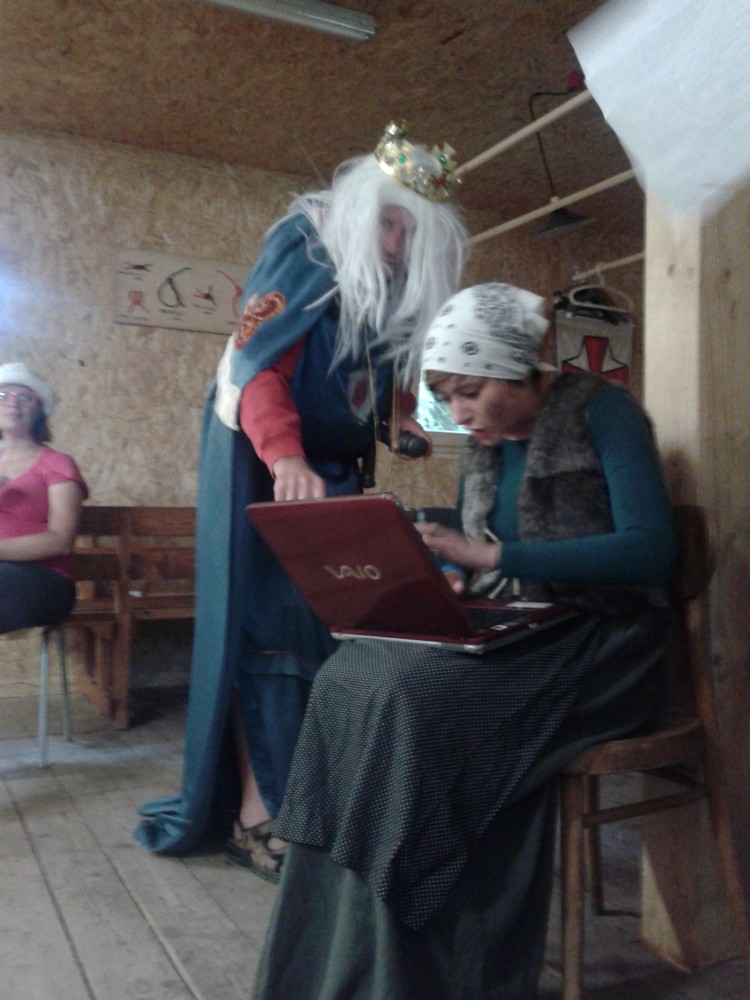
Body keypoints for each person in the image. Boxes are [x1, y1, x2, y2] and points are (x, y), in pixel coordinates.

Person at [251, 283, 676, 999]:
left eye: (471, 392)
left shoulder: (604, 412)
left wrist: (491, 557)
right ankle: (340, 941)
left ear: (516, 368)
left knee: (415, 697)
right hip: (530, 625)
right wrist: (444, 571)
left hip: (608, 642)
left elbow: (652, 551)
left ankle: (422, 950)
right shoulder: (487, 443)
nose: (460, 412)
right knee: (349, 674)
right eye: (447, 396)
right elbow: (482, 551)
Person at [134, 122, 469, 878]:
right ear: (361, 211)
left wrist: (399, 419)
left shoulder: (388, 280)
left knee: (329, 632)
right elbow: (259, 365)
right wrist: (284, 455)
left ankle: (318, 805)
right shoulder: (308, 245)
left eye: (409, 232)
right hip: (261, 460)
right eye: (387, 224)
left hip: (330, 469)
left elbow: (380, 370)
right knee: (272, 634)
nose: (395, 244)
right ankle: (263, 815)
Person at [0, 362, 88, 633]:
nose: (13, 403)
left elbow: (61, 541)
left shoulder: (58, 464)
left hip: (45, 579)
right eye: (3, 395)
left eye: (24, 397)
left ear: (39, 410)